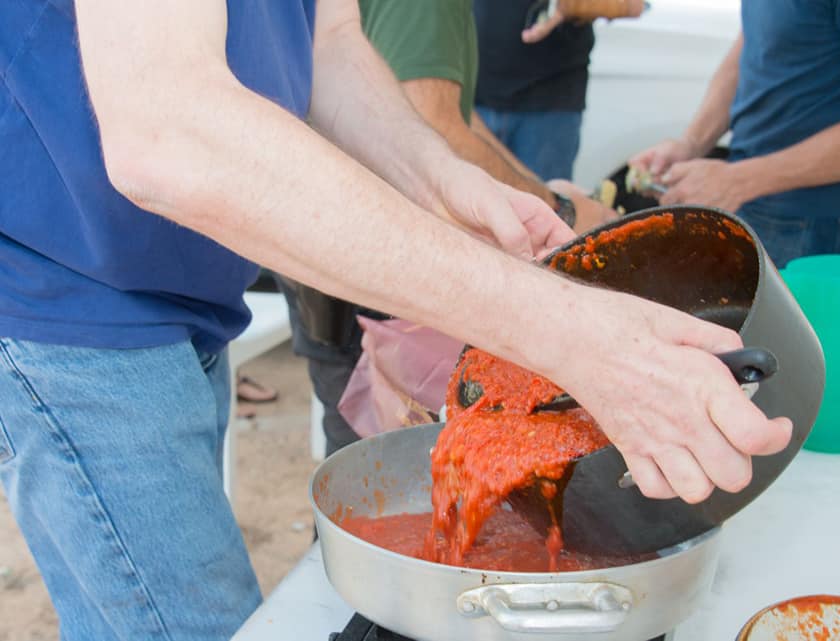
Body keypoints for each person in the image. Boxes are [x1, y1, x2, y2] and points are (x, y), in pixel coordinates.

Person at [0, 1, 791, 639]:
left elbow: (330, 39)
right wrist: (566, 330)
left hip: (179, 291)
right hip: (67, 303)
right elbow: (167, 133)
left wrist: (437, 176)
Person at [278, 0, 618, 455]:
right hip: (367, 284)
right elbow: (433, 117)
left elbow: (451, 112)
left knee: (364, 464)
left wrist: (531, 194)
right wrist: (560, 210)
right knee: (391, 477)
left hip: (330, 272)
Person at [630, 0, 840, 268]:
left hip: (819, 229)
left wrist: (740, 180)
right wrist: (692, 143)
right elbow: (754, 44)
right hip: (755, 205)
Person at [473, 0, 645, 181]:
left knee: (546, 204)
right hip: (466, 95)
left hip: (550, 104)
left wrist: (568, 6)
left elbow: (632, 4)